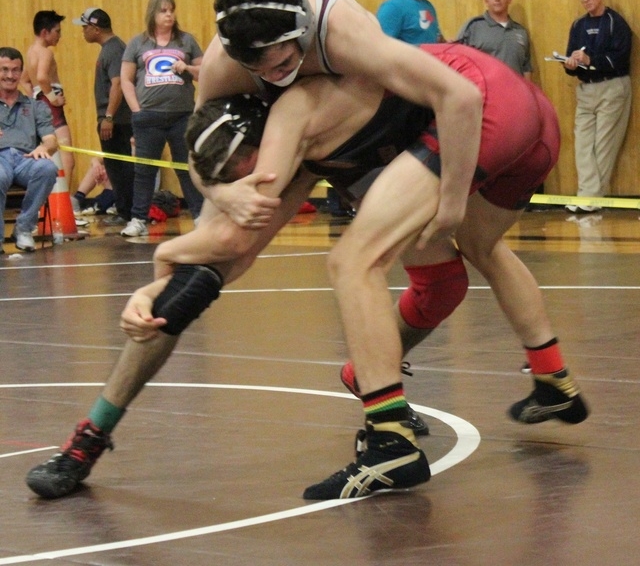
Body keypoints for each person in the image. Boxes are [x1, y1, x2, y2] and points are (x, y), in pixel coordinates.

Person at [25, 44, 588, 502]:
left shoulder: (306, 98)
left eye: (247, 176)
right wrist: (170, 263)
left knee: (355, 261)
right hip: (504, 120)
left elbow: (455, 93)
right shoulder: (274, 116)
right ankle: (92, 434)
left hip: (472, 111)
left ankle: (388, 432)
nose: (255, 189)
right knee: (458, 269)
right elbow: (228, 243)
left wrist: (166, 261)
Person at [119, 0, 204, 237]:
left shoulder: (186, 41)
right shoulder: (138, 43)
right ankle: (138, 219)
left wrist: (187, 68)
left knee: (186, 168)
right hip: (148, 117)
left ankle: (200, 216)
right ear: (153, 15)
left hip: (181, 116)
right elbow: (125, 79)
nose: (169, 15)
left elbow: (206, 71)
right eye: (163, 11)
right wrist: (136, 110)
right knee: (144, 171)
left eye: (171, 10)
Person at [563, 0, 632, 214]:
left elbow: (621, 59)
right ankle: (589, 196)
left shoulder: (616, 22)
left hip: (612, 87)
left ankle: (589, 198)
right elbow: (570, 58)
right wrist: (570, 64)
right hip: (586, 89)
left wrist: (591, 60)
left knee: (603, 145)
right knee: (583, 144)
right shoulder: (578, 25)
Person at [73, 7, 134, 224]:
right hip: (113, 120)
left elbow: (118, 84)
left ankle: (128, 213)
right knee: (116, 168)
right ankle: (124, 209)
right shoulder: (110, 49)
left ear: (95, 28)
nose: (83, 32)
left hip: (117, 121)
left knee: (121, 169)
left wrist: (109, 117)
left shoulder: (114, 50)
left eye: (84, 27)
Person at [0, 47, 58, 253]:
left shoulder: (35, 106)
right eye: (4, 69)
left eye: (15, 70)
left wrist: (44, 147)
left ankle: (23, 228)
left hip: (26, 158)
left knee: (47, 168)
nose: (10, 75)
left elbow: (52, 141)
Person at [21, 10, 75, 185]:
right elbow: (43, 77)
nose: (60, 35)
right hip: (51, 105)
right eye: (57, 31)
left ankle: (50, 201)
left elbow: (24, 80)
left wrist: (35, 100)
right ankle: (64, 200)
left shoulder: (30, 52)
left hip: (40, 101)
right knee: (67, 157)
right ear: (45, 32)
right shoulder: (45, 52)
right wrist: (52, 99)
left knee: (49, 154)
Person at [457, 0, 533, 79]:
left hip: (514, 92)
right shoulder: (473, 27)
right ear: (486, 1)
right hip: (485, 92)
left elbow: (526, 67)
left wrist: (526, 92)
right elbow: (458, 62)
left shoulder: (520, 31)